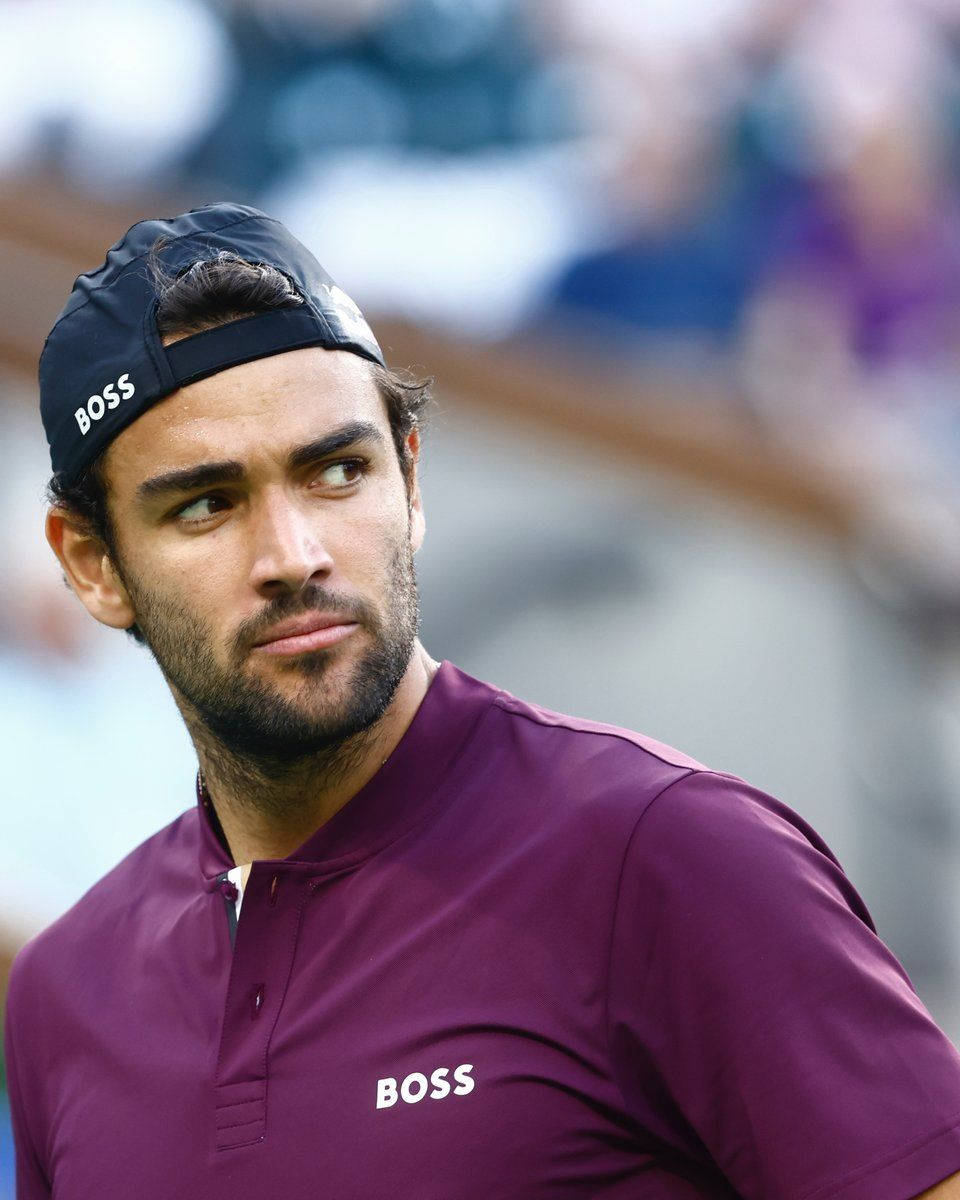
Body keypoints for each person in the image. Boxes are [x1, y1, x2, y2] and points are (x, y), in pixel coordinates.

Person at [5, 202, 960, 1200]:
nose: (294, 557)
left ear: (409, 484)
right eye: (206, 504)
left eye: (337, 471)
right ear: (93, 565)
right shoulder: (67, 993)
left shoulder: (672, 855)